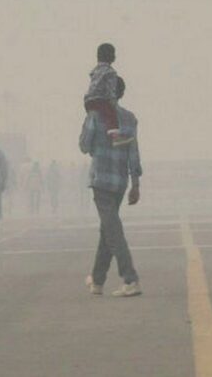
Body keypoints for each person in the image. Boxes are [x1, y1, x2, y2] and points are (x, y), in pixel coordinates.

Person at [80, 76, 143, 298]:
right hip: (120, 183)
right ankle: (97, 280)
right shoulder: (129, 119)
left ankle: (130, 278)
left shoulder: (95, 116)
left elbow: (84, 145)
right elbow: (133, 154)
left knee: (113, 231)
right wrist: (135, 184)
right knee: (107, 230)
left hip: (101, 181)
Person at [84, 43, 132, 146]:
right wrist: (112, 102)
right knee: (111, 114)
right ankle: (115, 137)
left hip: (88, 101)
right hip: (100, 100)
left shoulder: (94, 71)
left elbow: (84, 146)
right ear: (112, 57)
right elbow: (110, 91)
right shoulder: (111, 72)